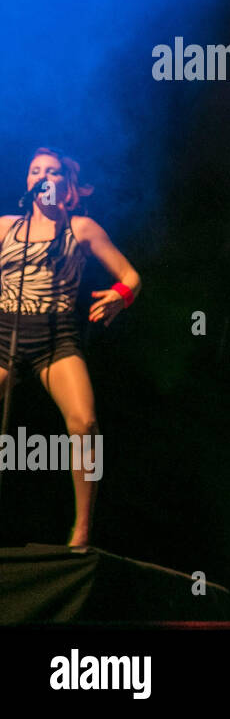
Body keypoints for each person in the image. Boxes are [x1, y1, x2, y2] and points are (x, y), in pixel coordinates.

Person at [0, 147, 141, 548]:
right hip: (4, 332)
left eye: (53, 171)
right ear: (28, 183)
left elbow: (131, 276)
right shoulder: (5, 227)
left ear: (67, 186)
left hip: (55, 337)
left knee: (84, 424)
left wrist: (118, 296)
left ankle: (80, 533)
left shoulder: (81, 228)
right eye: (35, 171)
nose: (43, 176)